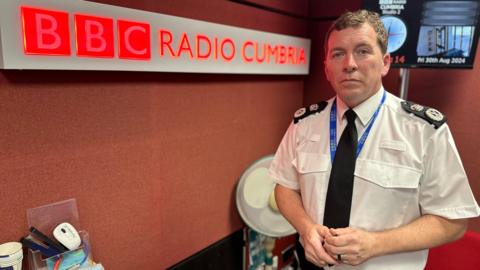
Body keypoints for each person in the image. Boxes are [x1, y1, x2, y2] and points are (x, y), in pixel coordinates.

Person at [269, 9, 480, 270]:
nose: (349, 64)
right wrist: (306, 228)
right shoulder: (304, 124)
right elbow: (284, 186)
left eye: (362, 51)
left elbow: (453, 221)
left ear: (385, 62)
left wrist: (376, 243)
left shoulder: (424, 131)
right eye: (338, 54)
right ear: (326, 68)